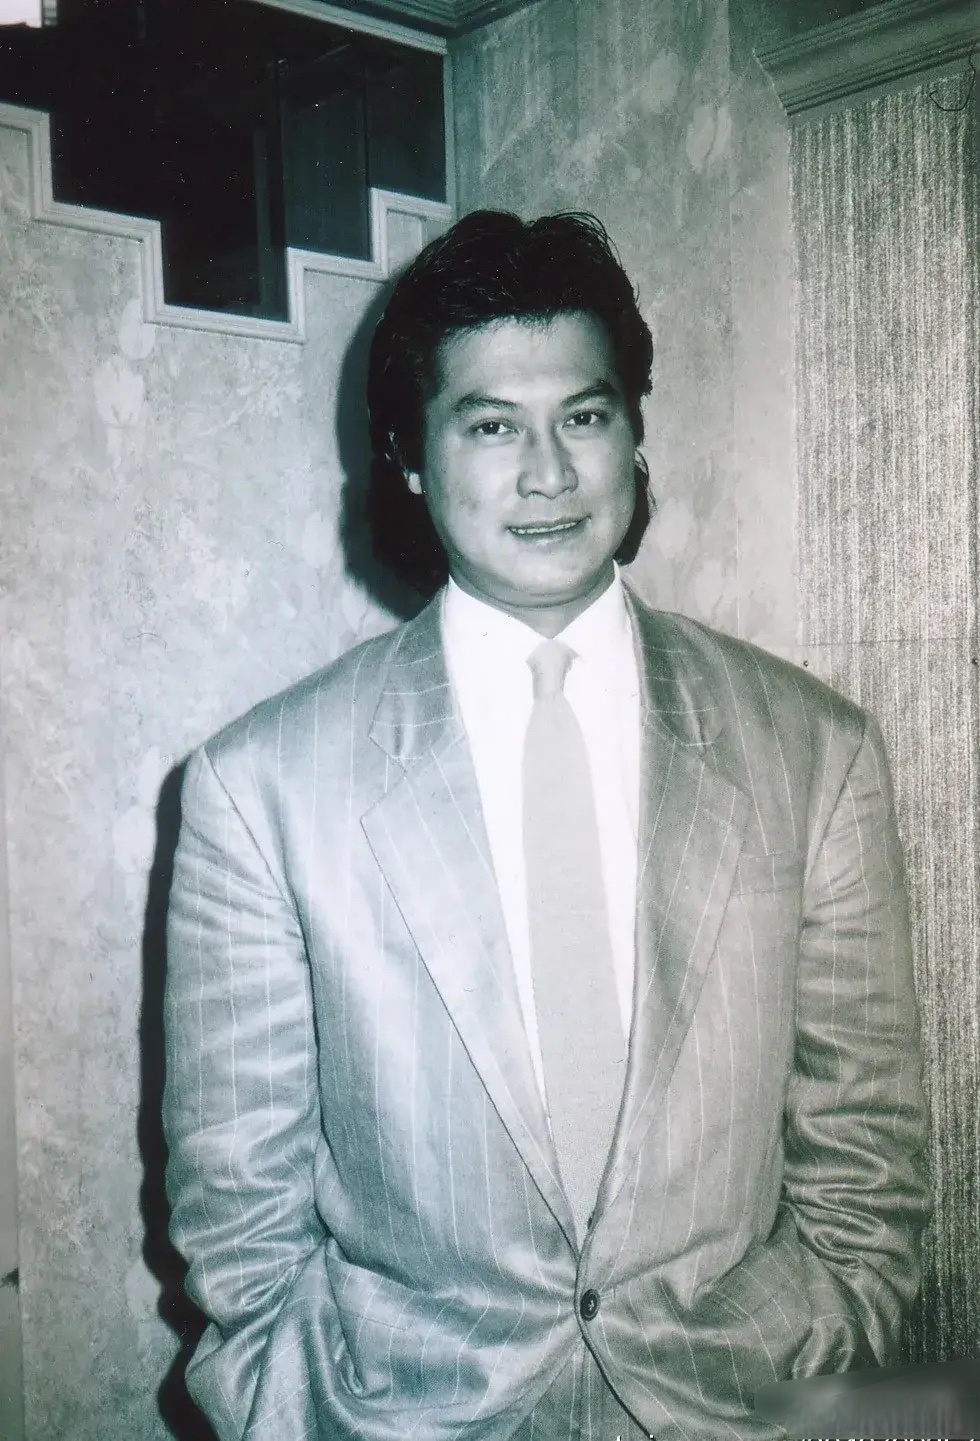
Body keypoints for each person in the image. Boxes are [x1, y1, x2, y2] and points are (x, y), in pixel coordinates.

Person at [163, 211, 930, 1441]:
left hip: (749, 1404)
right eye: (488, 426)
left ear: (633, 435)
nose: (546, 474)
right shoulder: (258, 786)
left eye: (582, 416)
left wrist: (831, 1375)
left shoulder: (815, 748)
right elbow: (234, 1201)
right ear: (408, 459)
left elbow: (867, 1145)